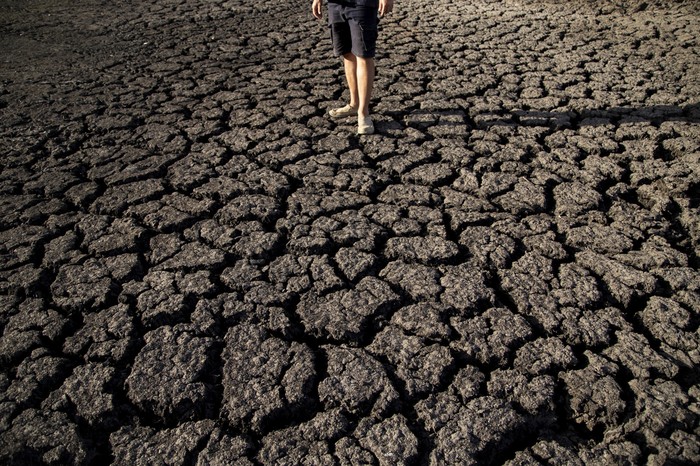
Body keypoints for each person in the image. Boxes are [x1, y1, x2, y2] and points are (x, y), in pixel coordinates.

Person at [312, 0, 394, 135]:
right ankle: (354, 104)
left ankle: (363, 113)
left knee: (363, 55)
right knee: (347, 53)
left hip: (362, 4)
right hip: (336, 4)